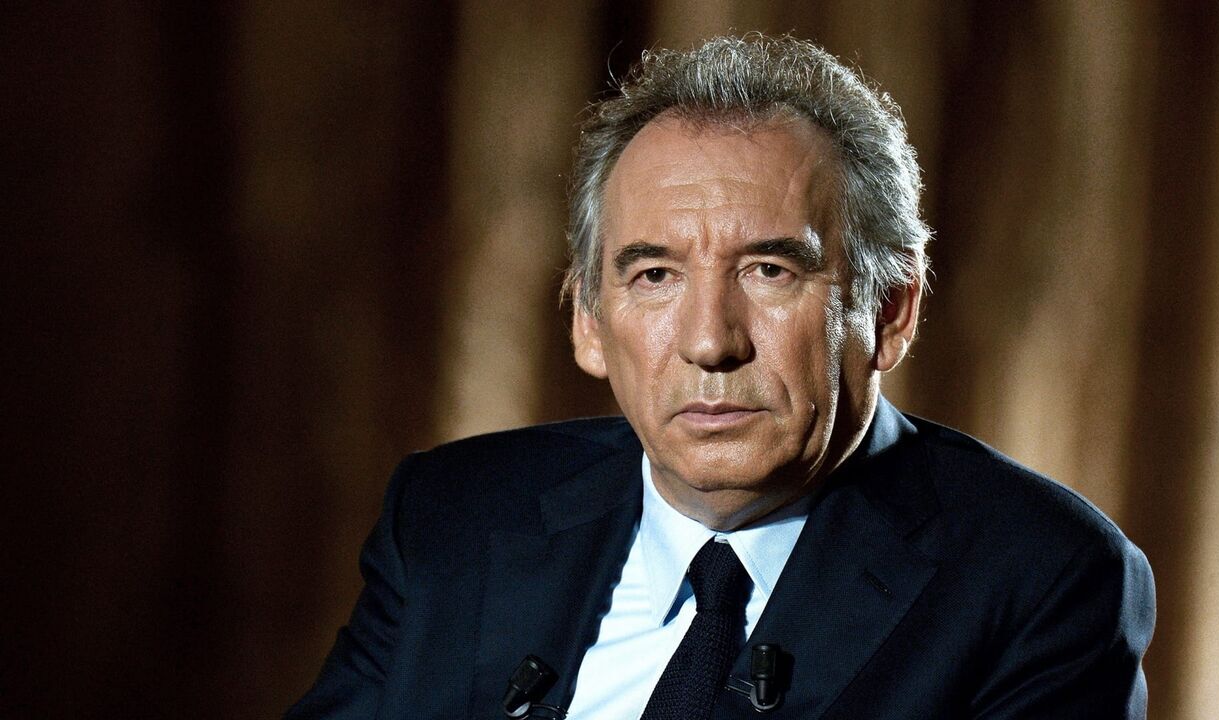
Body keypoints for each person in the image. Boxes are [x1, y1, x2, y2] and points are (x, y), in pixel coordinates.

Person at [286, 34, 1156, 719]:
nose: (709, 342)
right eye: (654, 275)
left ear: (890, 311)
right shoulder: (450, 520)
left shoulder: (1040, 579)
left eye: (769, 271)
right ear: (588, 322)